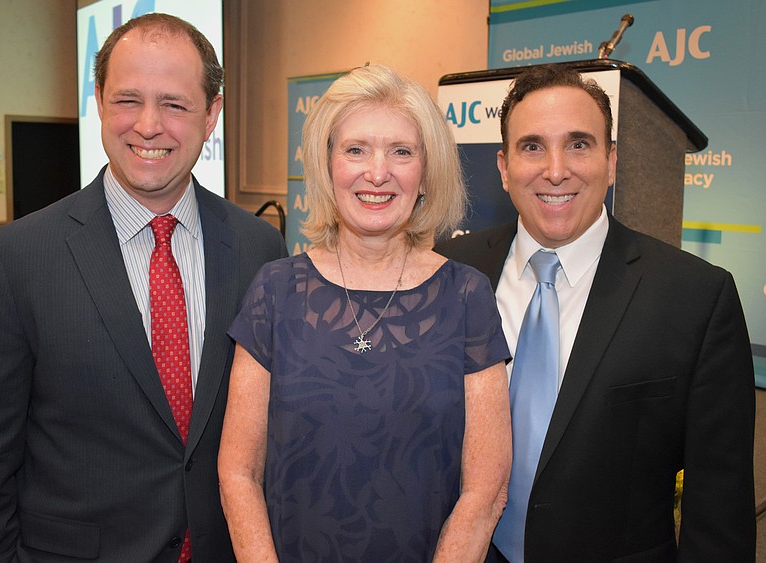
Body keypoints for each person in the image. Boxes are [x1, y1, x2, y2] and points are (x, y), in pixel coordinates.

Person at [0, 13, 287, 562]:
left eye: (174, 104)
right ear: (99, 101)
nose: (148, 125)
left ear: (211, 114)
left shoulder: (259, 251)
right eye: (128, 100)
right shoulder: (20, 259)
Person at [435, 63, 756, 562]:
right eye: (532, 146)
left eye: (579, 144)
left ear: (611, 162)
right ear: (503, 168)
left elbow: (719, 510)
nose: (556, 169)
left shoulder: (695, 297)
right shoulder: (452, 271)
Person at [217, 64, 512, 562]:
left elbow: (485, 490)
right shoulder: (277, 289)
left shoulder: (466, 296)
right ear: (328, 166)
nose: (378, 172)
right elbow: (237, 472)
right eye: (355, 150)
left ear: (426, 174)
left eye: (401, 152)